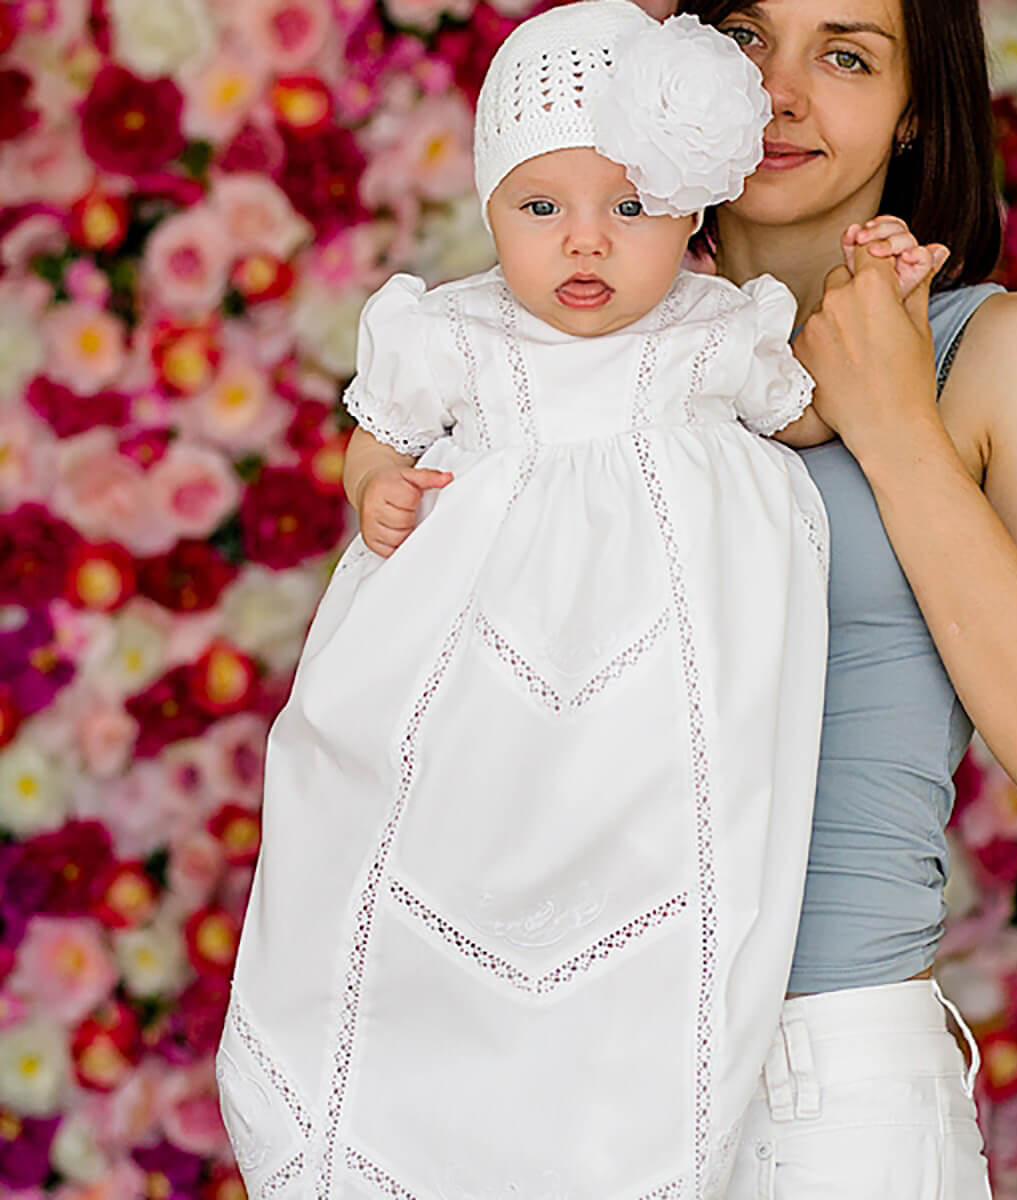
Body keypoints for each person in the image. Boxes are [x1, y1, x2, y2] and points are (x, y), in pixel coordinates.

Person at [215, 3, 945, 1197]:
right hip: (478, 680)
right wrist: (378, 490)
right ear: (493, 209)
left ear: (691, 210)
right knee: (413, 852)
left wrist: (885, 306)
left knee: (648, 901)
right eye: (541, 209)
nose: (586, 246)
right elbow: (378, 431)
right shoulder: (457, 329)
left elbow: (817, 412)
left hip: (653, 701)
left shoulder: (718, 328)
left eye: (630, 209)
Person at [663, 0, 1017, 1195]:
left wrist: (893, 428)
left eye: (846, 55)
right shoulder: (574, 343)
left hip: (822, 1086)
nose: (780, 93)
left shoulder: (1005, 355)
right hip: (570, 1053)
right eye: (746, 37)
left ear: (913, 116)